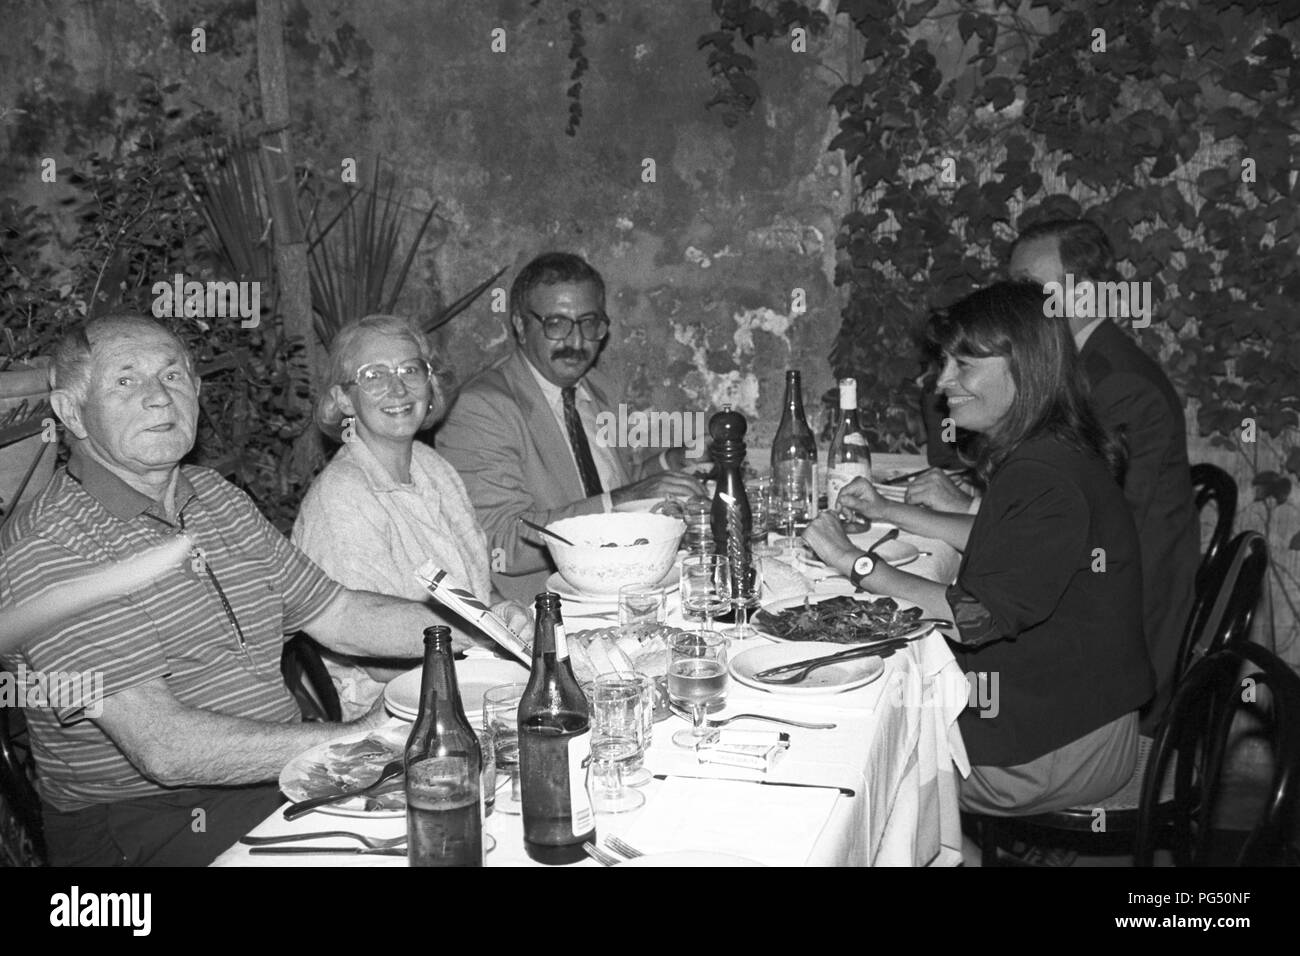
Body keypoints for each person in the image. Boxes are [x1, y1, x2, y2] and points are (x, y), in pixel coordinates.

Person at [0, 314, 475, 866]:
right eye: (125, 381)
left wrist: (475, 634)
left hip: (277, 776)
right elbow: (165, 748)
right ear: (69, 412)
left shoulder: (215, 497)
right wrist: (361, 739)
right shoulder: (52, 548)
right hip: (152, 824)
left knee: (468, 809)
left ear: (198, 394)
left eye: (174, 376)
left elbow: (340, 612)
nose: (159, 398)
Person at [804, 282, 1154, 816]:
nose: (943, 381)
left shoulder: (1043, 475)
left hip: (1049, 750)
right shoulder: (1053, 450)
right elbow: (1010, 544)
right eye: (944, 362)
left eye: (963, 365)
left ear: (1026, 369)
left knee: (854, 772)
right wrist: (893, 512)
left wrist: (855, 562)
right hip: (1078, 716)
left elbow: (976, 618)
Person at [909, 220, 1198, 734]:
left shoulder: (1118, 380)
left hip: (1120, 636)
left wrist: (863, 564)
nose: (1013, 296)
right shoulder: (1077, 366)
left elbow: (1090, 531)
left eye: (1028, 283)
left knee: (921, 716)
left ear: (1083, 293)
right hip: (1087, 617)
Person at [292, 314, 529, 719]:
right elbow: (379, 663)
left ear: (430, 383)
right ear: (344, 399)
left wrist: (508, 615)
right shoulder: (342, 498)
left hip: (467, 679)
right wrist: (487, 638)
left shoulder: (432, 466)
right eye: (373, 375)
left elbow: (476, 591)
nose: (397, 387)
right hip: (394, 712)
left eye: (410, 369)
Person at [437, 252, 706, 604]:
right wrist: (621, 501)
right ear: (520, 325)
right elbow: (500, 541)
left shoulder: (599, 389)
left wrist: (677, 460)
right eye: (557, 323)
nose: (576, 342)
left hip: (628, 589)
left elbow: (616, 483)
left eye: (589, 322)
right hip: (544, 611)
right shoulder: (481, 408)